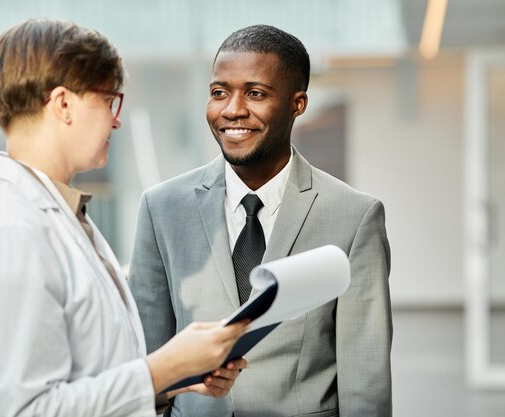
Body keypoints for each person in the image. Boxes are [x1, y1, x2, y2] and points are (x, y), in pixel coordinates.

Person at [0, 19, 249, 417]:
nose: (116, 119)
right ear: (63, 103)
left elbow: (93, 374)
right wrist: (162, 368)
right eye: (108, 101)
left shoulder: (56, 213)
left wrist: (175, 379)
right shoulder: (9, 233)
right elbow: (30, 410)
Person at [129, 24, 392, 417]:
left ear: (297, 103)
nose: (232, 109)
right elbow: (146, 362)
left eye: (255, 93)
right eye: (219, 92)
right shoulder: (161, 208)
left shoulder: (354, 217)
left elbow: (365, 381)